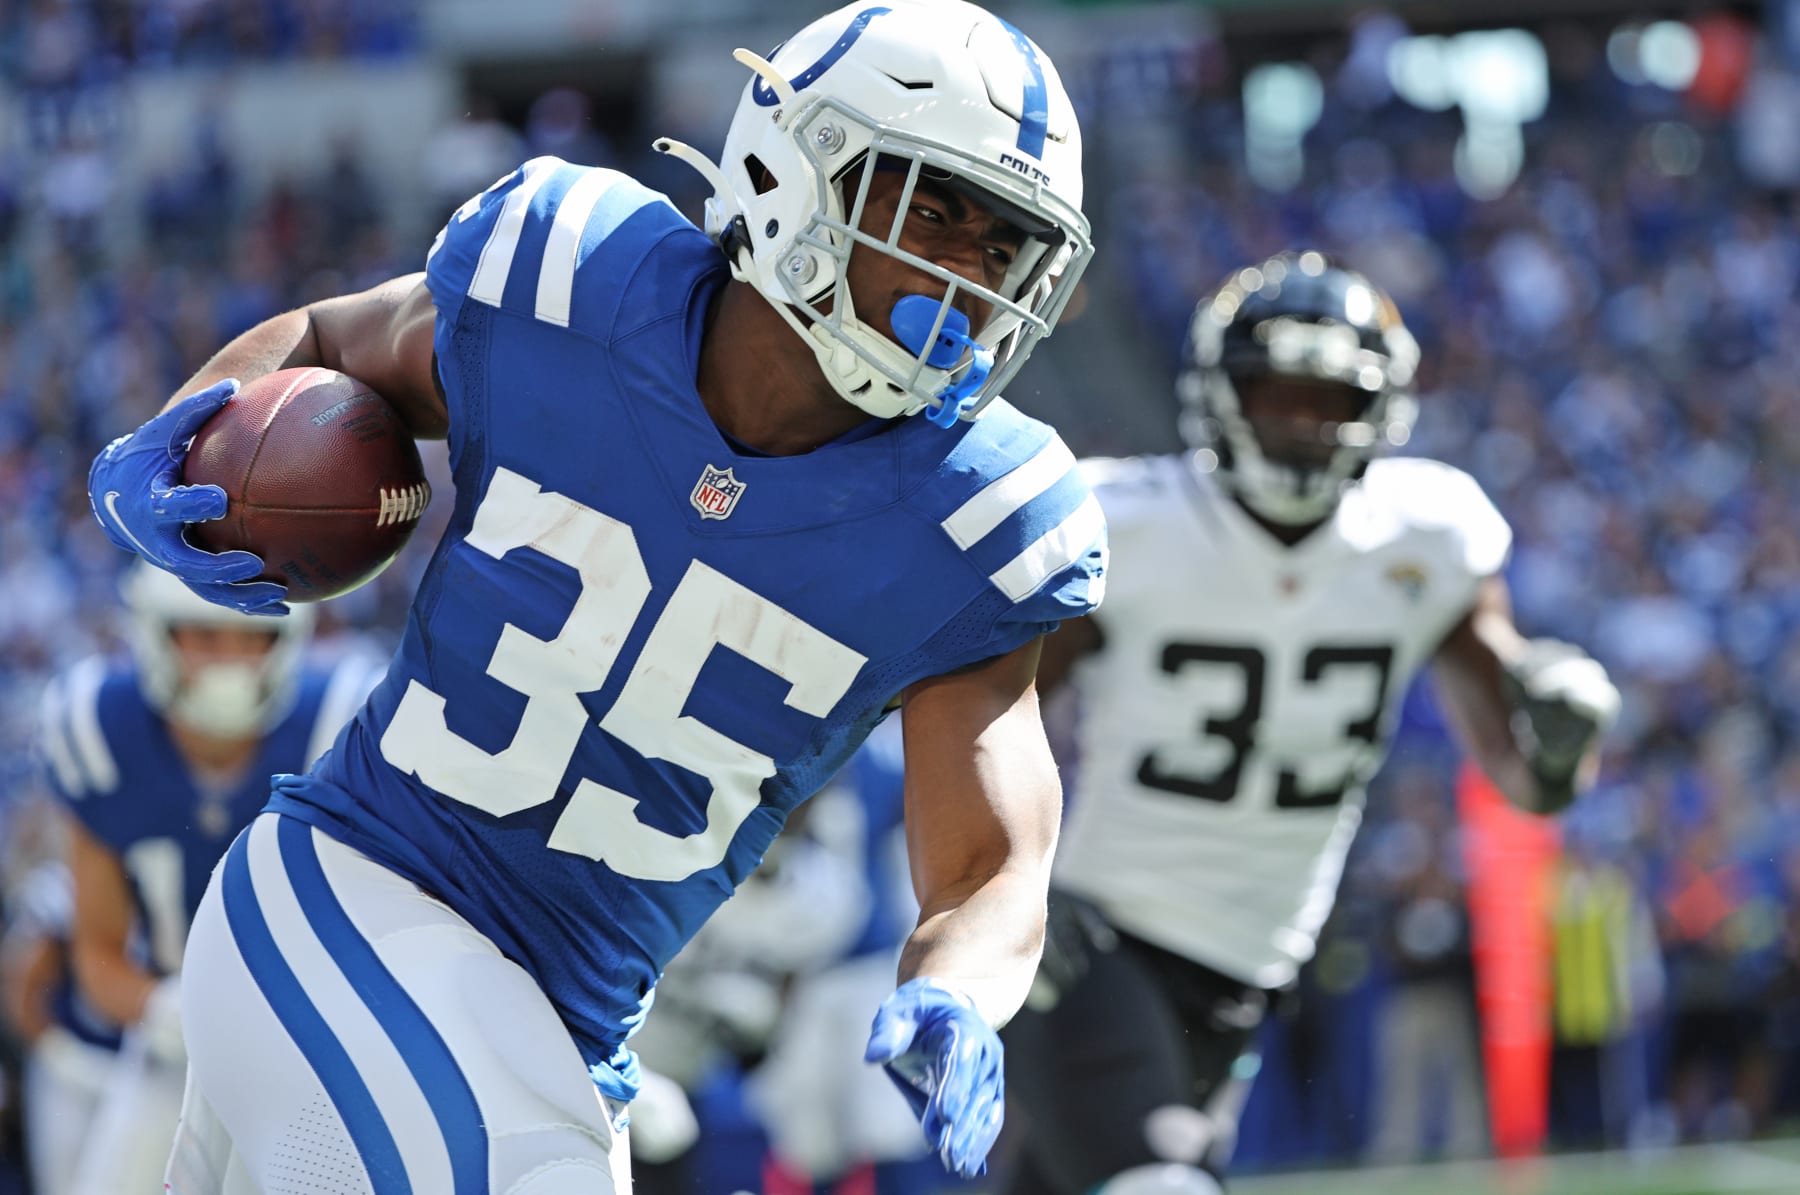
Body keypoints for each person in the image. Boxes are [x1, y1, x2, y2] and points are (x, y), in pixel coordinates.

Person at [84, 2, 1103, 1188]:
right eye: (931, 211)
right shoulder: (571, 283)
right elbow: (327, 337)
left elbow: (990, 862)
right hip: (348, 895)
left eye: (1001, 246)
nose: (964, 276)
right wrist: (178, 431)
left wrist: (957, 993)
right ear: (798, 166)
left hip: (564, 1034)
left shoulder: (976, 520)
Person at [998, 251, 1620, 1195]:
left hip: (1255, 963)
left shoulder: (1428, 534)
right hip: (1099, 938)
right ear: (1220, 394)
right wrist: (1013, 882)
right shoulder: (1129, 520)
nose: (1302, 422)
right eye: (1277, 393)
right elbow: (990, 718)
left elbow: (1526, 780)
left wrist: (1564, 733)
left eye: (1332, 399)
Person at [32, 564, 376, 1194]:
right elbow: (98, 954)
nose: (230, 658)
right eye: (202, 634)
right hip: (172, 1053)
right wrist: (166, 1010)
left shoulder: (342, 722)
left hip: (314, 1052)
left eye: (252, 636)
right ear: (152, 632)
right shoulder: (99, 727)